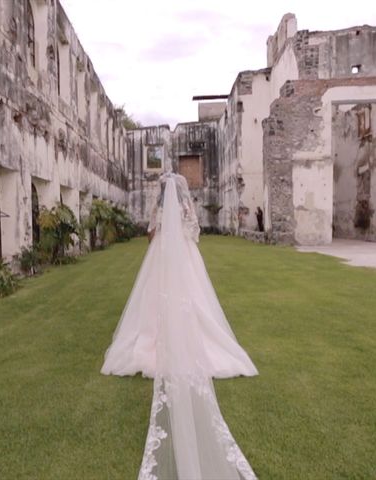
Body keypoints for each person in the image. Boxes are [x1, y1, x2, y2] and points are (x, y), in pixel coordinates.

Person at [102, 171, 259, 480]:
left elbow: (150, 235)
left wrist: (161, 235)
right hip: (186, 259)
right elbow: (194, 234)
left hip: (160, 257)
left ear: (162, 191)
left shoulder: (158, 210)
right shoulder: (187, 208)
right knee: (193, 300)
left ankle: (153, 341)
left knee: (152, 301)